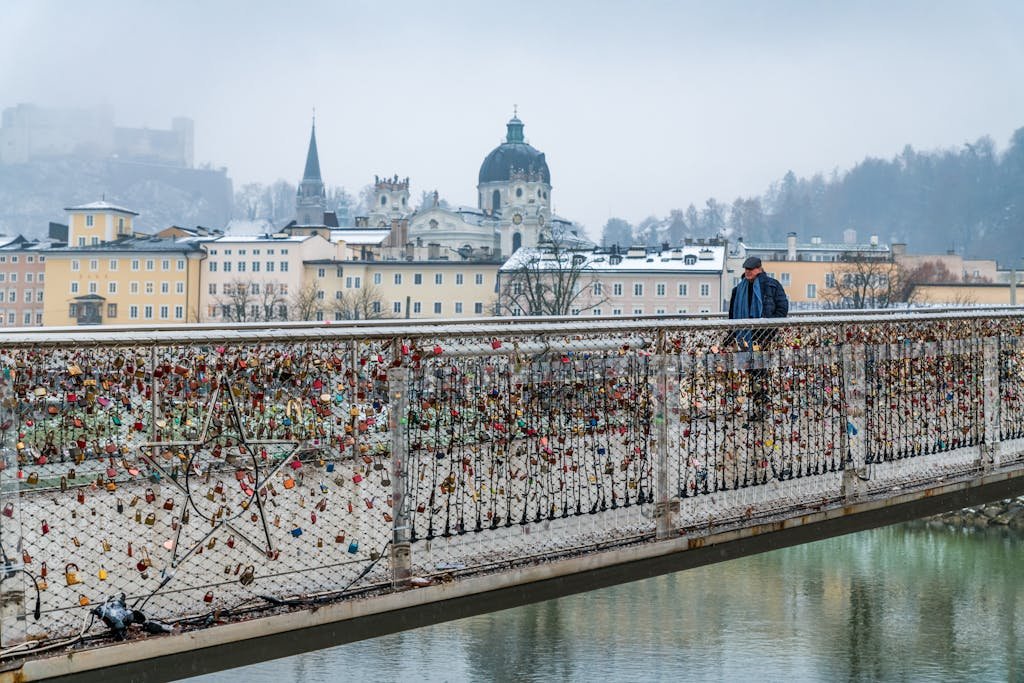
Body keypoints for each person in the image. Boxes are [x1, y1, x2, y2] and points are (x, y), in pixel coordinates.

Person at [726, 256, 789, 419]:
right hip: (745, 338)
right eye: (746, 269)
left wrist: (769, 332)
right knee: (751, 373)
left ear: (759, 269)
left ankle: (762, 408)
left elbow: (782, 310)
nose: (747, 272)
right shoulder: (738, 290)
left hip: (763, 337)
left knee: (761, 373)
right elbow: (732, 316)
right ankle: (758, 407)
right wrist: (731, 334)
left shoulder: (772, 286)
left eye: (751, 269)